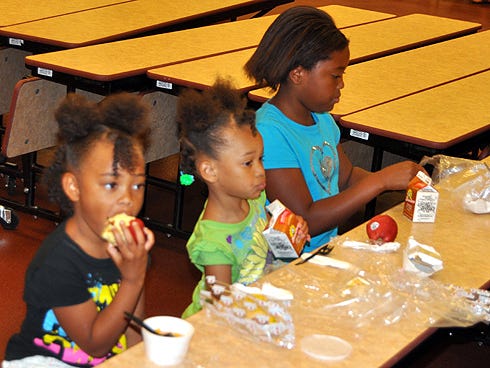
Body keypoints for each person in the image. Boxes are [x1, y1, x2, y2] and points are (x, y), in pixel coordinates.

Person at [244, 6, 424, 252]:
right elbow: (305, 219)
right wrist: (380, 182)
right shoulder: (269, 133)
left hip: (324, 249)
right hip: (285, 264)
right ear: (297, 74)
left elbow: (346, 178)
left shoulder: (321, 119)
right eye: (335, 76)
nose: (342, 84)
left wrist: (399, 181)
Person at [3, 93, 155, 368]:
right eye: (112, 184)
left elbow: (133, 324)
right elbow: (95, 344)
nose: (128, 199)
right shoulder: (57, 264)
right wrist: (133, 279)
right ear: (74, 187)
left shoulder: (131, 247)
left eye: (138, 185)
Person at [177, 79, 309, 318]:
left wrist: (289, 237)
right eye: (248, 163)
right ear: (210, 171)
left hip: (259, 308)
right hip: (220, 330)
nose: (260, 170)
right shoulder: (214, 243)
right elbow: (221, 309)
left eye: (261, 159)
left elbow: (265, 249)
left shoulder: (254, 200)